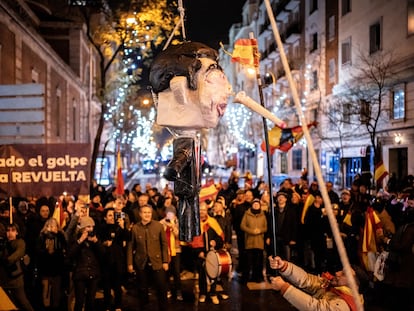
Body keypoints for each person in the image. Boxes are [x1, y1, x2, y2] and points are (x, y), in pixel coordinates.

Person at [268, 255, 364, 311]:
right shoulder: (333, 286)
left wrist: (285, 287)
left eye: (343, 274)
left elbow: (316, 308)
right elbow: (307, 280)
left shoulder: (345, 304)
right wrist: (284, 266)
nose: (337, 273)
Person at [127, 204, 169, 310]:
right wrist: (130, 263)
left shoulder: (158, 226)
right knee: (142, 289)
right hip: (141, 262)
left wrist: (165, 261)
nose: (147, 214)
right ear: (140, 214)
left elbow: (164, 244)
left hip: (157, 262)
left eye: (149, 212)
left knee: (161, 288)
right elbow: (131, 246)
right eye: (145, 212)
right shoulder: (135, 228)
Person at [191, 201, 225, 305]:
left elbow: (220, 237)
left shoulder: (212, 222)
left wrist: (215, 242)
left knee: (213, 275)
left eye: (204, 210)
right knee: (202, 275)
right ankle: (203, 293)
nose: (202, 212)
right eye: (200, 210)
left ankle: (213, 294)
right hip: (200, 254)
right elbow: (190, 241)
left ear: (207, 211)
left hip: (212, 254)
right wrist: (198, 252)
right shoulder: (194, 223)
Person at [69, 216, 104, 311]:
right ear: (83, 228)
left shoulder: (95, 238)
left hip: (93, 273)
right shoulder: (76, 238)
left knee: (91, 301)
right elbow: (70, 254)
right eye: (88, 226)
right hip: (80, 274)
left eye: (92, 226)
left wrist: (96, 242)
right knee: (79, 301)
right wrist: (80, 240)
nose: (91, 229)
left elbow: (103, 254)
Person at [99, 207, 130, 311]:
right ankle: (107, 305)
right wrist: (104, 243)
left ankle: (118, 305)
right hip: (106, 260)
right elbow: (98, 242)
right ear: (105, 217)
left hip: (118, 260)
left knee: (117, 284)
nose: (112, 217)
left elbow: (128, 237)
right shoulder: (102, 228)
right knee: (106, 285)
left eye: (114, 215)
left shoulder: (119, 227)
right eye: (110, 215)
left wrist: (122, 226)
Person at [1, 222, 34, 311]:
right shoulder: (3, 243)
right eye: (8, 231)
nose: (10, 233)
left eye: (13, 230)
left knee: (23, 302)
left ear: (17, 232)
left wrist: (6, 259)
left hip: (16, 280)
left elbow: (15, 256)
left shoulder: (20, 242)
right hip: (4, 280)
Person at [36, 218, 67, 310]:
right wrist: (46, 250)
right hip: (45, 271)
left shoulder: (60, 236)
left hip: (57, 271)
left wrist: (59, 234)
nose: (52, 227)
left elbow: (64, 249)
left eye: (54, 225)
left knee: (56, 295)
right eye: (50, 225)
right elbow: (38, 252)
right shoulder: (42, 237)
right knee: (45, 295)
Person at [159, 206, 183, 301]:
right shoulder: (161, 222)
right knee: (166, 271)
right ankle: (167, 290)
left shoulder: (178, 222)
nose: (170, 215)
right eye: (168, 213)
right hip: (165, 250)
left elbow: (181, 236)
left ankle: (178, 291)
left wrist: (173, 226)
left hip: (176, 250)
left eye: (171, 213)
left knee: (176, 271)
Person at [240, 198, 267, 283]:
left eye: (257, 204)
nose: (256, 205)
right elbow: (242, 226)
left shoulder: (263, 215)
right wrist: (251, 231)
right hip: (249, 241)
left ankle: (257, 277)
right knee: (248, 261)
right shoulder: (247, 214)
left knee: (258, 261)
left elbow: (265, 227)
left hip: (259, 242)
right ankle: (246, 277)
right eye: (254, 204)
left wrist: (260, 230)